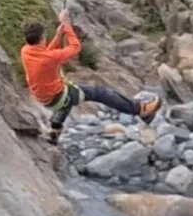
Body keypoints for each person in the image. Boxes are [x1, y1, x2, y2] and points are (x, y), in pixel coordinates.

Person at [20, 10, 161, 144]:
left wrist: (58, 36)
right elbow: (75, 47)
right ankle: (140, 110)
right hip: (59, 96)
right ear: (43, 38)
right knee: (100, 93)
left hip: (43, 97)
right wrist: (67, 26)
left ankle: (54, 133)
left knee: (67, 101)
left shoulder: (26, 51)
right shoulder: (48, 58)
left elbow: (47, 53)